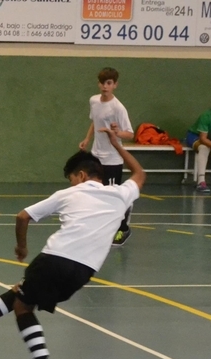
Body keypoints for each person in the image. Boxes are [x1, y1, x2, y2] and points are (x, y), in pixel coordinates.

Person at [0, 128, 145, 359]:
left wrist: (21, 246)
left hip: (55, 258)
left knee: (22, 306)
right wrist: (117, 145)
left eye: (71, 179)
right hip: (83, 272)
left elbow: (22, 216)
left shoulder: (68, 194)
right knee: (22, 295)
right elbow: (140, 173)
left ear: (81, 175)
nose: (71, 184)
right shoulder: (121, 194)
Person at [79, 67, 135, 247]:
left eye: (109, 83)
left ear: (115, 85)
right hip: (96, 156)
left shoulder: (118, 108)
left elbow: (130, 134)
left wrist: (117, 133)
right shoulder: (94, 101)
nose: (105, 86)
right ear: (99, 84)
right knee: (95, 194)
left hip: (113, 159)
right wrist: (87, 139)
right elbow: (94, 121)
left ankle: (123, 228)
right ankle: (101, 228)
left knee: (112, 197)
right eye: (102, 83)